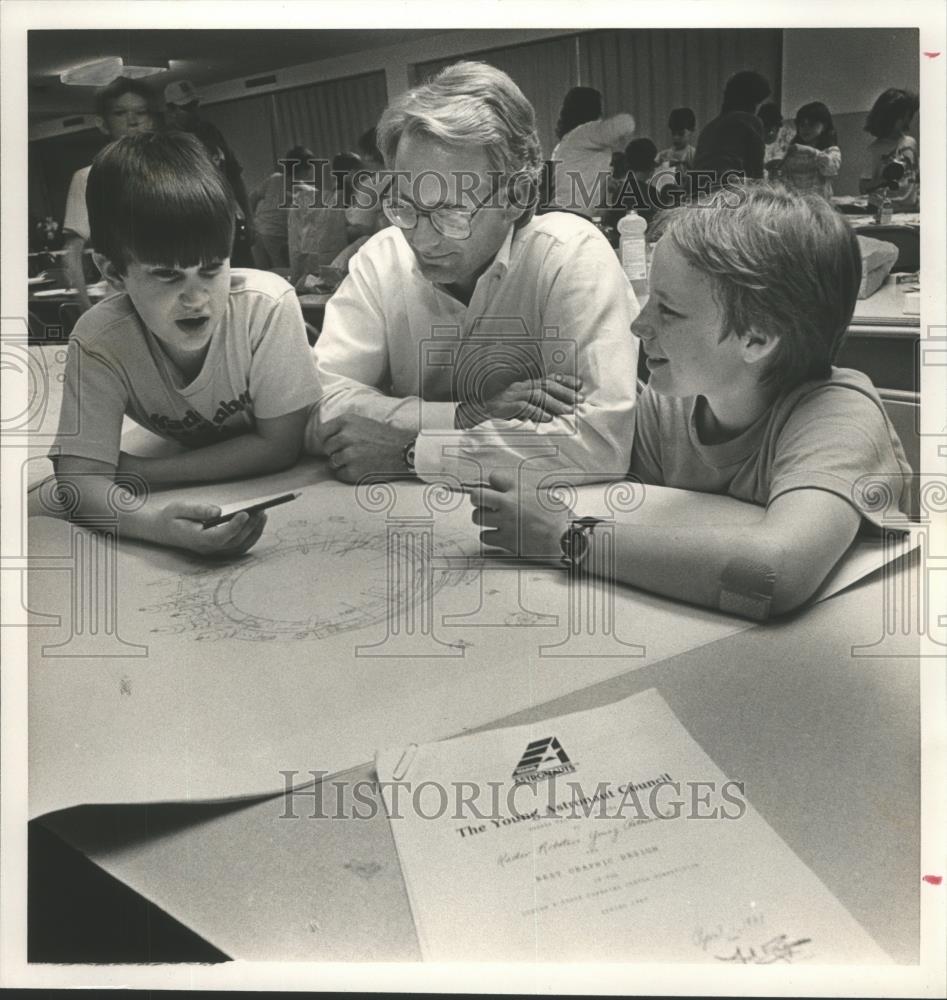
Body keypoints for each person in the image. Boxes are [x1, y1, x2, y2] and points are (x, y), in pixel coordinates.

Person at [470, 185, 912, 620]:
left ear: (756, 338)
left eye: (668, 311)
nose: (639, 326)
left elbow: (770, 575)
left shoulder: (841, 419)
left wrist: (566, 536)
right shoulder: (669, 409)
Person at [305, 61, 639, 487]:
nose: (421, 240)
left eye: (450, 211)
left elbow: (600, 444)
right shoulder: (381, 257)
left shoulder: (570, 255)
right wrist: (468, 414)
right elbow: (322, 406)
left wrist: (411, 452)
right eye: (405, 206)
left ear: (517, 197)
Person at [50, 131, 321, 557]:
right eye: (167, 275)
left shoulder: (266, 304)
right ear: (113, 271)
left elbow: (280, 445)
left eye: (212, 269)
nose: (196, 299)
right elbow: (79, 481)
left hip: (312, 450)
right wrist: (156, 524)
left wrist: (146, 472)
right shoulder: (100, 338)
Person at [62, 78, 160, 315]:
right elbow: (73, 253)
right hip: (123, 300)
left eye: (141, 112)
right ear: (102, 123)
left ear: (152, 120)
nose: (133, 121)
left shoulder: (170, 170)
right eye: (120, 113)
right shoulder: (88, 178)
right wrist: (86, 308)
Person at [164, 79, 256, 265]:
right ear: (171, 110)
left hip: (230, 217)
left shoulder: (210, 132)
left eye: (195, 105)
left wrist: (249, 217)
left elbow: (234, 176)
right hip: (199, 225)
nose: (194, 111)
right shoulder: (166, 142)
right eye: (187, 108)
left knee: (246, 271)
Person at [548, 86, 636, 218]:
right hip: (574, 215)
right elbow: (626, 123)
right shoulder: (586, 131)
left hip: (564, 213)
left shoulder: (568, 141)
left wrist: (606, 182)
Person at [691, 70, 771, 192]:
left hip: (699, 194)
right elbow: (755, 173)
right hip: (729, 193)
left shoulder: (710, 126)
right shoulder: (750, 121)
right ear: (754, 102)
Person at [249, 145, 317, 270]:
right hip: (277, 236)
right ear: (305, 169)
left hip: (258, 233)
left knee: (262, 273)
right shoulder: (309, 191)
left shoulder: (274, 179)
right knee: (283, 274)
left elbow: (252, 198)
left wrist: (252, 222)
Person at [859, 88, 919, 210]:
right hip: (886, 211)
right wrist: (885, 179)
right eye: (900, 117)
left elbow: (916, 176)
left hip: (911, 209)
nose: (905, 120)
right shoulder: (874, 150)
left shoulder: (911, 143)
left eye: (907, 115)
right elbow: (863, 187)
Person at [771, 102, 841, 200]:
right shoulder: (794, 151)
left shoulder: (831, 151)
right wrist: (776, 167)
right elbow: (782, 176)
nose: (805, 128)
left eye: (811, 124)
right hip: (796, 202)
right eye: (802, 125)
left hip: (819, 203)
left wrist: (811, 152)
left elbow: (830, 169)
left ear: (824, 126)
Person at [656, 107, 696, 176]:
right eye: (673, 133)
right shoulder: (662, 156)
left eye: (681, 134)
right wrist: (666, 165)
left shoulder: (695, 155)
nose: (676, 138)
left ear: (691, 130)